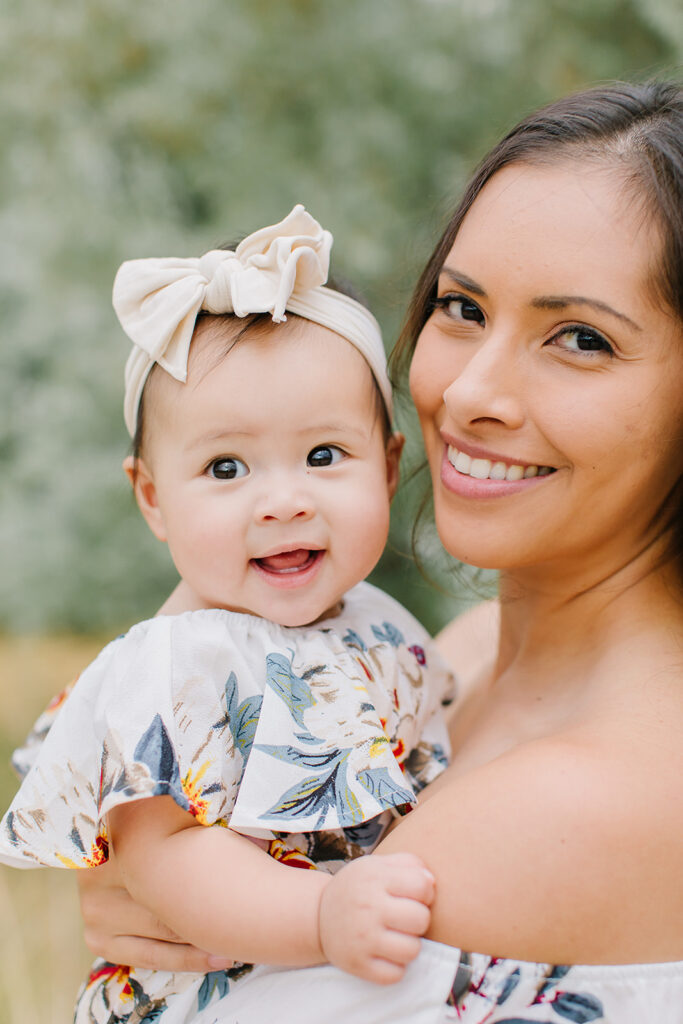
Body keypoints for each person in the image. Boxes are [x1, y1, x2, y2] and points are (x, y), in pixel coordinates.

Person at [10, 79, 683, 1022]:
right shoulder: (449, 657)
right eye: (461, 308)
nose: (470, 391)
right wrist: (168, 864)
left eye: (579, 338)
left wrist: (202, 903)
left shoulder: (588, 806)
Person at [0, 206, 457, 1022]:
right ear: (152, 498)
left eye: (324, 456)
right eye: (225, 467)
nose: (282, 501)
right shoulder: (177, 668)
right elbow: (166, 861)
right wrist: (320, 915)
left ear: (387, 468)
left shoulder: (381, 624)